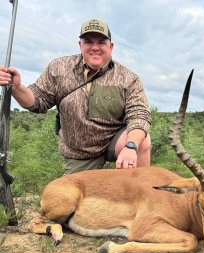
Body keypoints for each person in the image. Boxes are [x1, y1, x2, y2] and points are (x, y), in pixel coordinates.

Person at [0, 18, 152, 174]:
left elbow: (140, 115)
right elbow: (37, 101)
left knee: (142, 141)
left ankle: (136, 194)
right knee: (71, 195)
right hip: (79, 153)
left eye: (101, 42)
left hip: (115, 142)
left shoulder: (128, 78)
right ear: (80, 45)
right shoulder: (59, 68)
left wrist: (130, 146)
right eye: (88, 42)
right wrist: (17, 87)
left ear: (110, 47)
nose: (95, 47)